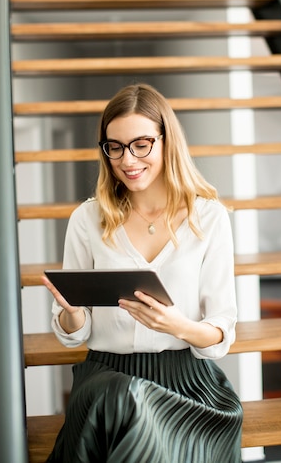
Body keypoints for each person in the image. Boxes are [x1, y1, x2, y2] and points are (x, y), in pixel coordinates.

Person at [43, 83, 243, 463]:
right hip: (106, 376)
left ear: (167, 141)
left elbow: (220, 332)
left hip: (186, 381)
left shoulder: (208, 217)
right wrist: (71, 313)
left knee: (137, 409)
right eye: (114, 147)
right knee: (127, 400)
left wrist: (176, 325)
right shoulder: (87, 219)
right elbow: (76, 335)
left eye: (141, 144)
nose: (127, 160)